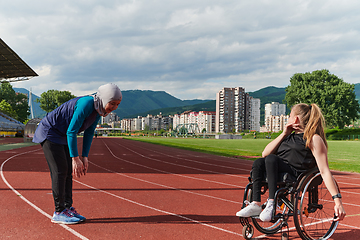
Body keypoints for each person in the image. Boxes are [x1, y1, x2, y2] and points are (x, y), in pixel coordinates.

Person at [236, 103, 346, 222]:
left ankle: (271, 203)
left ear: (296, 119)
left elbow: (324, 171)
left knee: (271, 159)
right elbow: (265, 153)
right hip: (277, 168)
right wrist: (284, 134)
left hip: (296, 174)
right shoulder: (288, 136)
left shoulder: (313, 139)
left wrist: (337, 200)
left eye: (289, 116)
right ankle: (256, 204)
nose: (287, 119)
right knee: (258, 162)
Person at [33, 83, 122, 224]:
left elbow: (89, 132)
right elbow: (72, 131)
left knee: (68, 172)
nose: (114, 107)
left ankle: (67, 208)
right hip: (50, 132)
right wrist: (75, 158)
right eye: (112, 103)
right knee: (60, 171)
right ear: (104, 99)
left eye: (117, 104)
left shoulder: (99, 111)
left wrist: (84, 156)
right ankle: (59, 211)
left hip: (61, 135)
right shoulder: (86, 104)